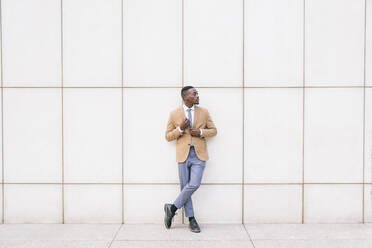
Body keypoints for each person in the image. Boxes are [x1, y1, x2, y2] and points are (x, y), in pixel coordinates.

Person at [164, 86, 217, 233]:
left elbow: (214, 131)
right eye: (194, 94)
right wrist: (180, 129)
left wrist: (200, 132)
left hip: (199, 155)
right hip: (183, 155)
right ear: (186, 96)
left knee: (194, 184)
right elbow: (168, 136)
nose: (197, 96)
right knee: (185, 187)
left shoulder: (204, 112)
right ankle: (192, 219)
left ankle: (172, 208)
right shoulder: (174, 114)